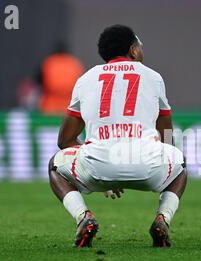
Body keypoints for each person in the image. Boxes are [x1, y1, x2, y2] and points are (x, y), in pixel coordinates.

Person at [48, 25, 187, 248]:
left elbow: (64, 141)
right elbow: (166, 132)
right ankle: (163, 219)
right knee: (180, 162)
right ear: (133, 50)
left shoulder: (86, 79)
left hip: (98, 167)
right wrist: (164, 155)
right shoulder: (153, 77)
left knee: (55, 165)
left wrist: (103, 161)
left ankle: (84, 217)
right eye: (140, 46)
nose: (142, 50)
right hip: (147, 165)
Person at [38, 42, 84, 114]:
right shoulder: (75, 64)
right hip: (71, 107)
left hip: (50, 107)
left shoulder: (48, 63)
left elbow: (39, 82)